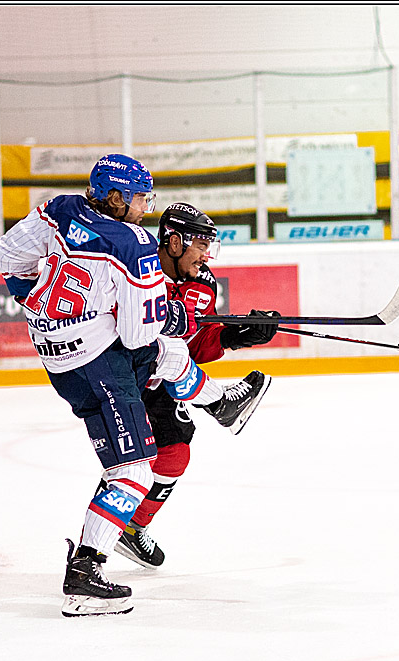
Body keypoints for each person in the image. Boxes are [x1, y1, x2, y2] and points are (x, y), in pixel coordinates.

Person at [0, 155, 269, 617]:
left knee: (170, 354)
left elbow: (8, 256)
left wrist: (31, 294)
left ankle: (221, 403)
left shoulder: (60, 208)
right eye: (141, 197)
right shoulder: (135, 242)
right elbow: (138, 333)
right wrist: (167, 314)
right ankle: (84, 576)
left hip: (58, 355)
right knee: (134, 472)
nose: (146, 207)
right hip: (99, 365)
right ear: (117, 196)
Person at [113, 203, 279, 569]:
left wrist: (236, 336)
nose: (206, 255)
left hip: (160, 372)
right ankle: (90, 550)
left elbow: (191, 346)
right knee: (130, 461)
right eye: (200, 245)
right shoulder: (135, 269)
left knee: (175, 451)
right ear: (173, 242)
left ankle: (131, 528)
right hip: (119, 370)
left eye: (209, 246)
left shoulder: (202, 282)